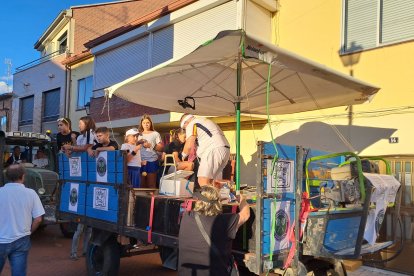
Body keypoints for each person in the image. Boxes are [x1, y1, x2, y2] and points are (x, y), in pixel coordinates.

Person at [178, 185, 250, 276]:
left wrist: (218, 201)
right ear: (217, 204)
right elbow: (245, 214)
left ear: (198, 201)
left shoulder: (186, 217)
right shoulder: (224, 221)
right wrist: (242, 200)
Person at [0, 164, 45, 276]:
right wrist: (29, 232)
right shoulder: (31, 193)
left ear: (7, 176)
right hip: (21, 239)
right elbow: (38, 219)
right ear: (23, 176)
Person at [180, 114, 230, 187]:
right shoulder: (206, 121)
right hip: (224, 149)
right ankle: (227, 196)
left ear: (185, 123)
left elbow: (189, 144)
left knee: (202, 180)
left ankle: (208, 198)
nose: (185, 130)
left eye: (184, 128)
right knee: (213, 182)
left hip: (212, 149)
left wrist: (183, 156)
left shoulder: (192, 124)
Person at [138, 114, 164, 188]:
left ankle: (152, 200)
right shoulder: (138, 135)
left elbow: (161, 148)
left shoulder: (155, 134)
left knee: (151, 185)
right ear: (141, 124)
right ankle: (142, 200)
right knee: (141, 185)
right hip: (141, 162)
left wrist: (151, 145)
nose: (146, 124)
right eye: (144, 123)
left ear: (151, 123)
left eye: (147, 122)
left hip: (152, 161)